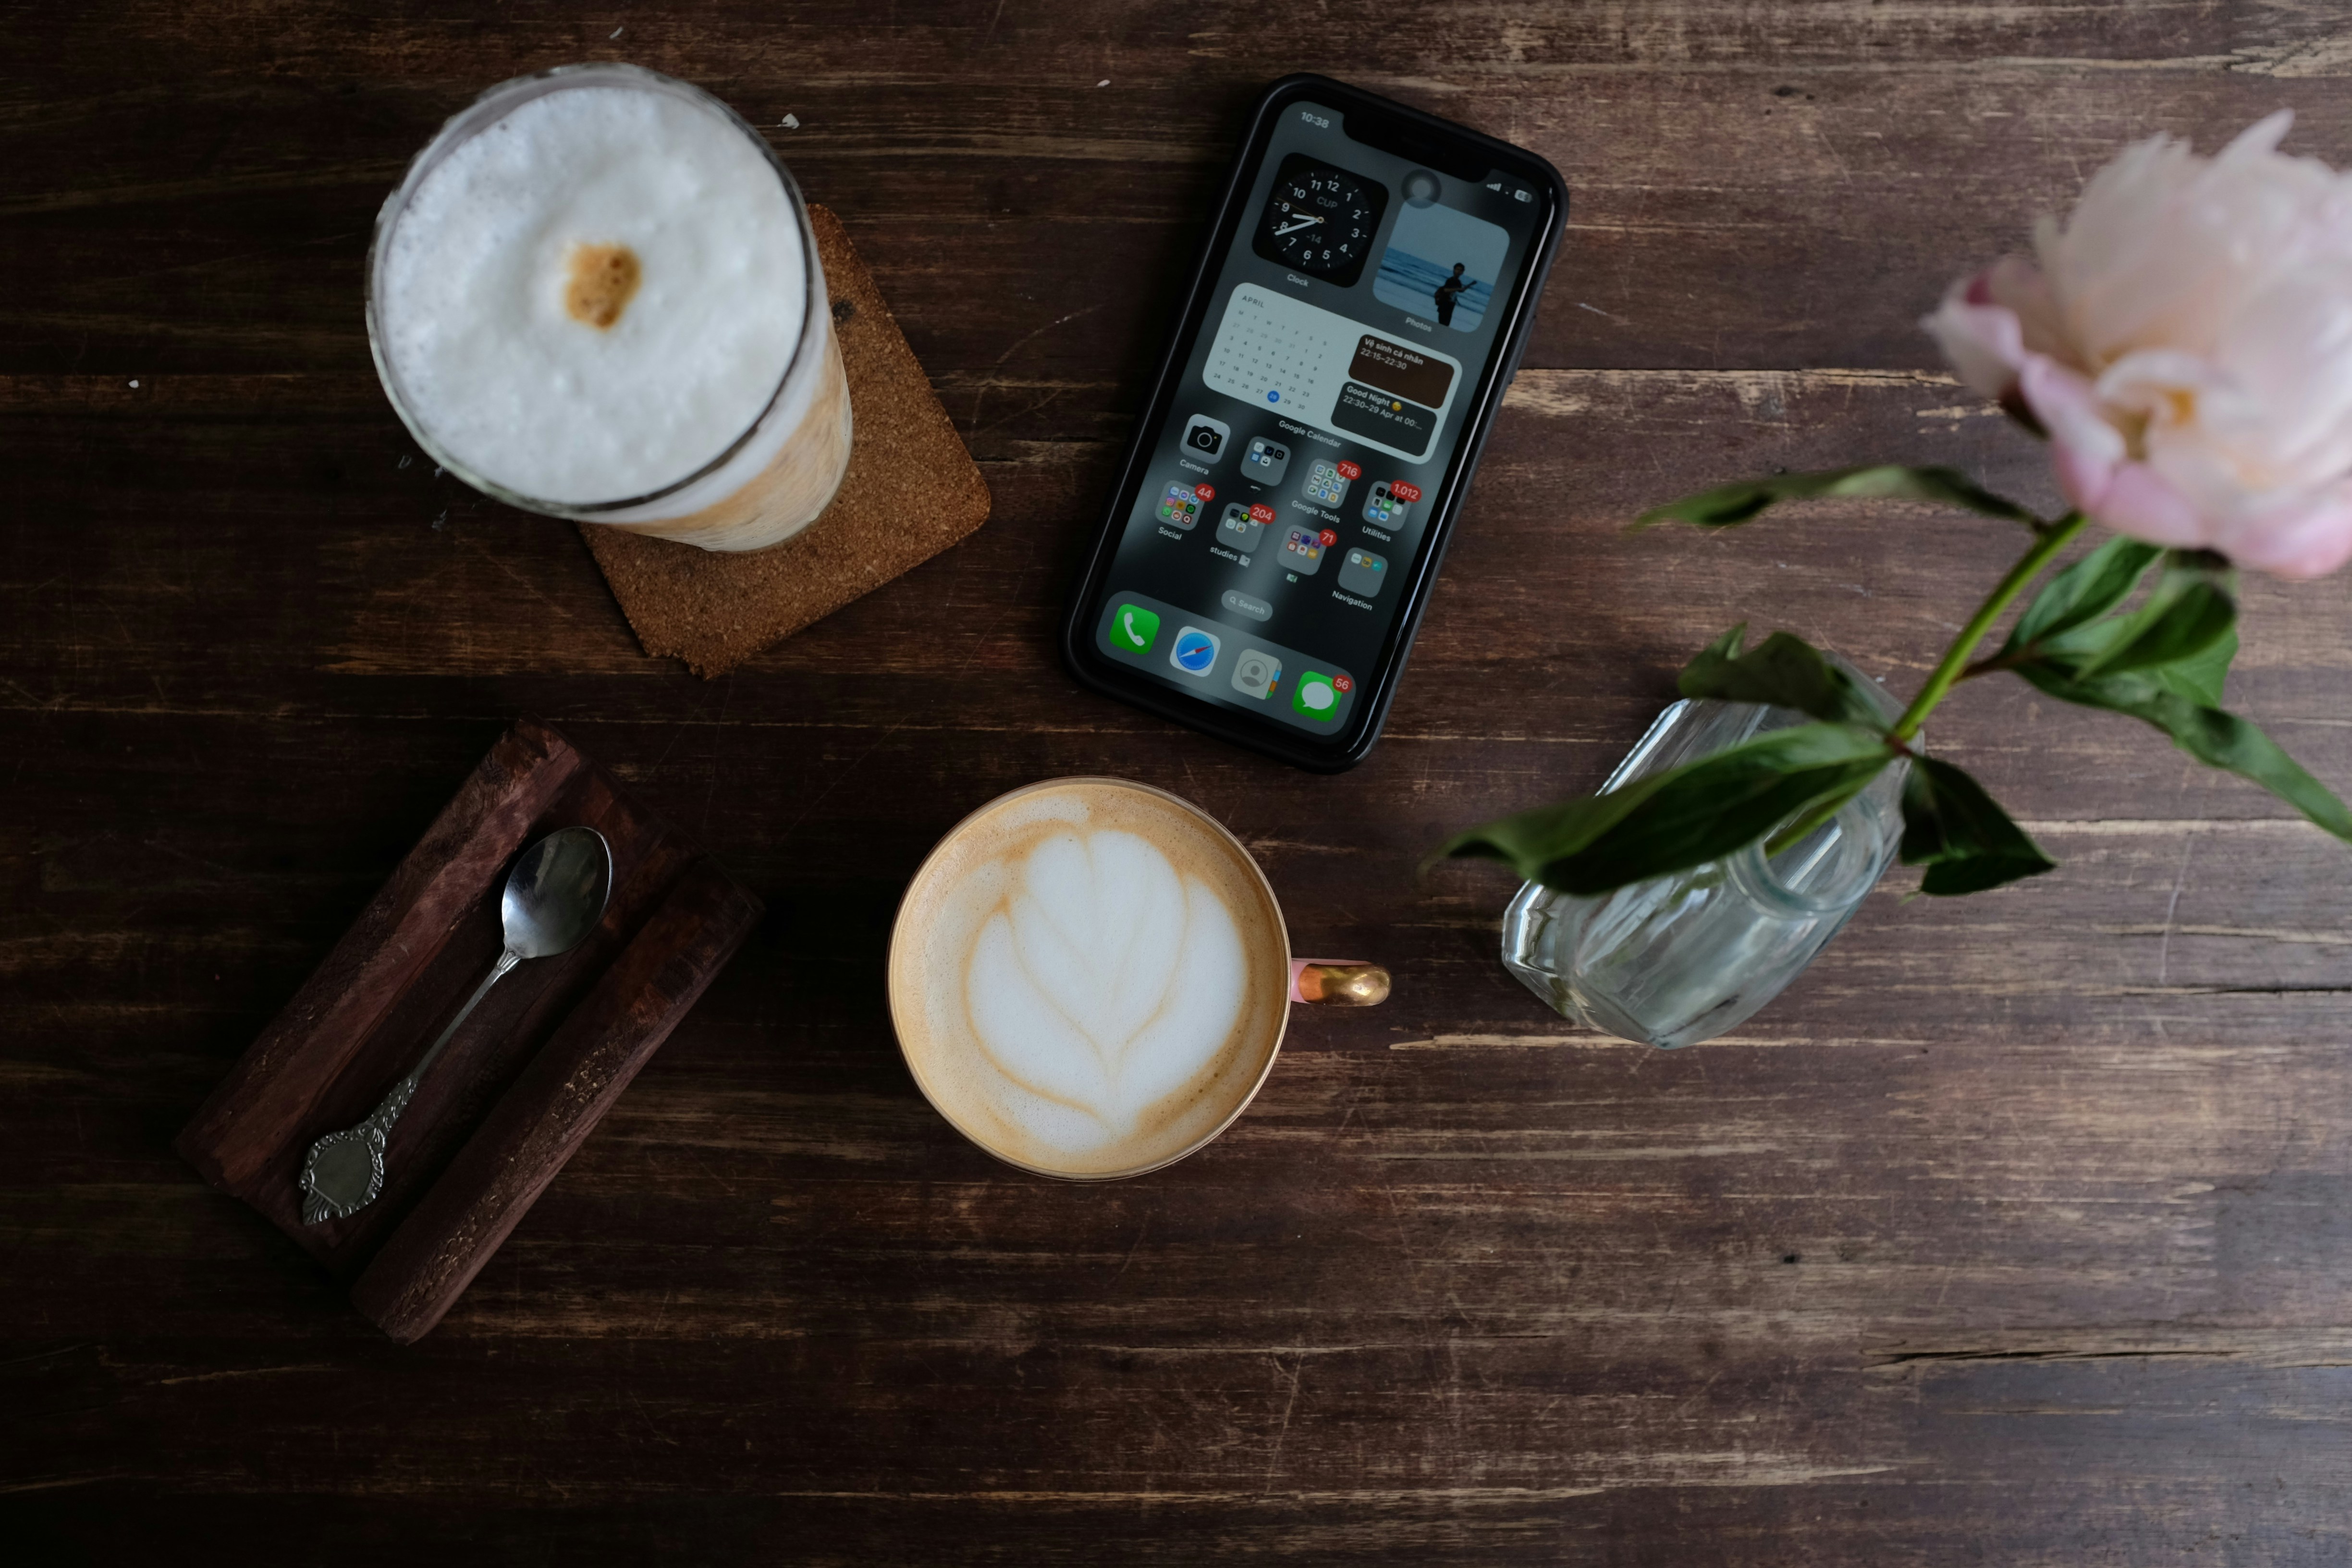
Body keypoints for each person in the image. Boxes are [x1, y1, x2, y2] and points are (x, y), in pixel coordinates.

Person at [1434, 262, 1469, 327]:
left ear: (1462, 272)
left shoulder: (1459, 282)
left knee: (1446, 324)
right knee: (1442, 324)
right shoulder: (1450, 280)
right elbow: (1446, 290)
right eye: (1457, 269)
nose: (1458, 272)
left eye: (1460, 270)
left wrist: (1464, 289)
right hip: (1445, 303)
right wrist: (1458, 289)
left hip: (1451, 305)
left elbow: (1459, 291)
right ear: (1454, 270)